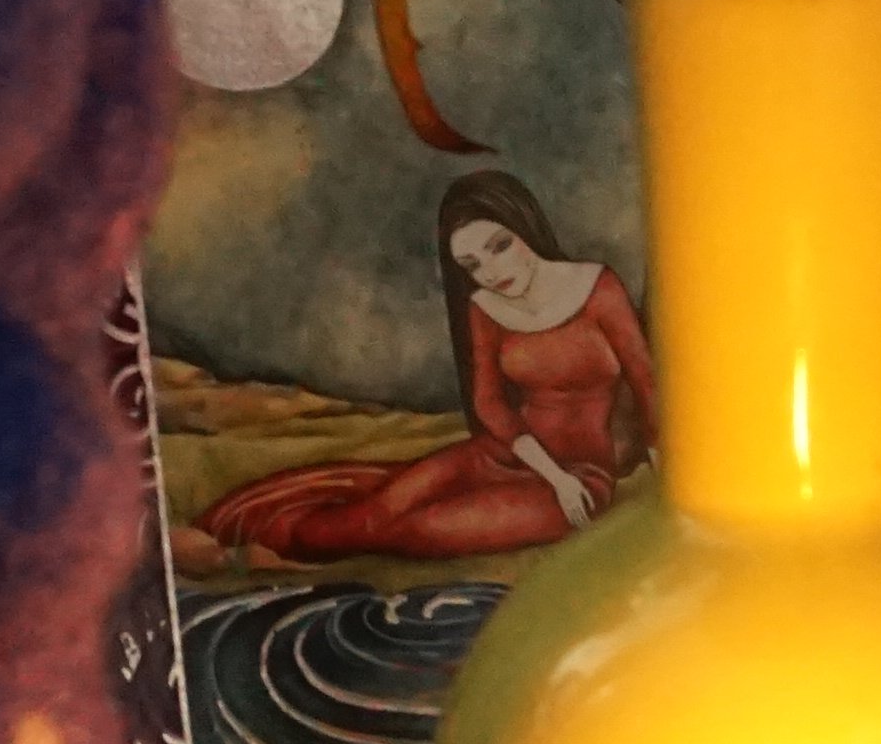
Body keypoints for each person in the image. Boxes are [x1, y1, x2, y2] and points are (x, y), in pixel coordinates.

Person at [204, 171, 657, 559]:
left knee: (410, 532)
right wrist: (546, 469)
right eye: (472, 265)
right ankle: (228, 548)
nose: (491, 272)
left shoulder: (597, 287)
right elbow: (489, 403)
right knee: (366, 517)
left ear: (525, 228)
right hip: (504, 455)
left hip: (577, 479)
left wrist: (644, 477)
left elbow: (646, 381)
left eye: (499, 246)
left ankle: (243, 552)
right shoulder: (484, 306)